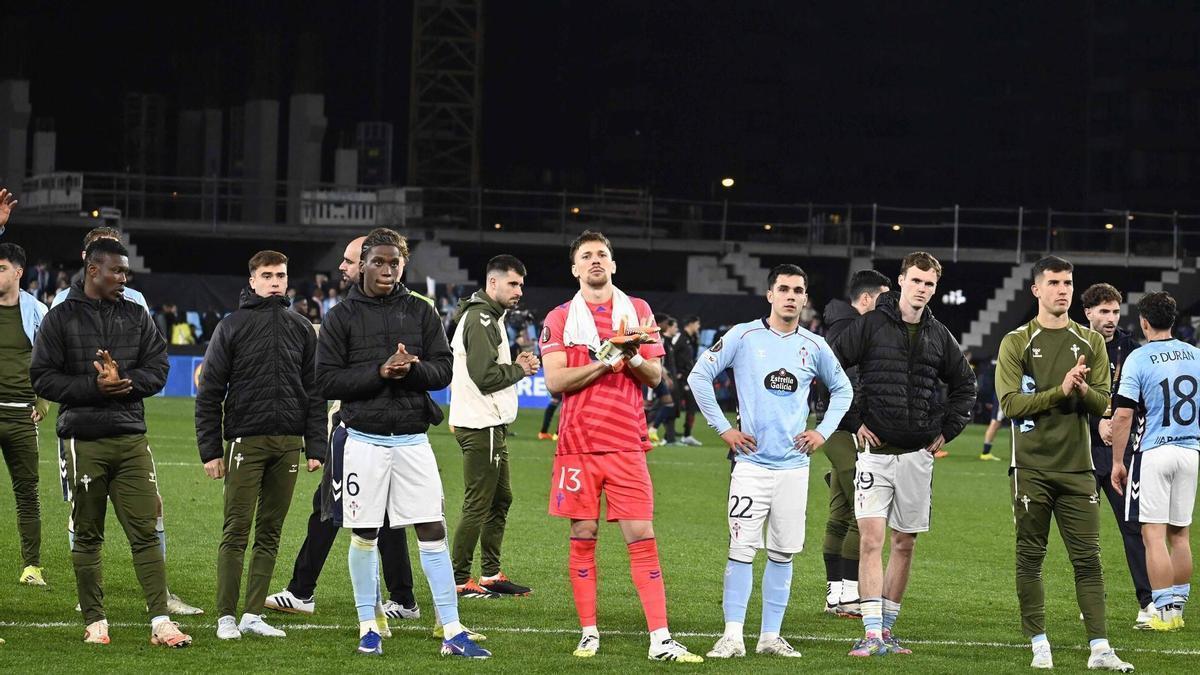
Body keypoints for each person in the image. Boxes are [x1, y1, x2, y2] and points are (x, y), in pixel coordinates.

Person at [317, 227, 488, 658]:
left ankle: (451, 629)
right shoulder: (340, 317)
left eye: (395, 262)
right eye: (378, 262)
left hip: (413, 440)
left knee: (432, 528)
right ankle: (367, 625)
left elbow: (444, 371)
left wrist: (409, 370)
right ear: (362, 266)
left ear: (403, 265)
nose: (387, 269)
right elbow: (325, 381)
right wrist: (379, 372)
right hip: (362, 441)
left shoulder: (421, 313)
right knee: (366, 532)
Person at [539, 230, 701, 662]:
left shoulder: (638, 312)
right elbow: (555, 382)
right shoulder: (559, 318)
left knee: (642, 535)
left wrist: (629, 354)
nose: (595, 261)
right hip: (576, 445)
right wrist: (606, 360)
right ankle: (589, 632)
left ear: (613, 265)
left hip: (628, 443)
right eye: (587, 255)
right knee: (582, 533)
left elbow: (655, 378)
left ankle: (660, 639)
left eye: (602, 255)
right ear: (574, 268)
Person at [30, 238, 191, 648]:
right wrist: (94, 385)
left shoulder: (137, 315)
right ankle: (95, 620)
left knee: (146, 532)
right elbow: (42, 378)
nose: (124, 278)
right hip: (82, 439)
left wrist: (127, 383)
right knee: (87, 534)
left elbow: (159, 367)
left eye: (125, 272)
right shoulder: (59, 317)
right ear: (93, 271)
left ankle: (160, 620)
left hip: (130, 438)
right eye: (117, 271)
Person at [690, 264, 853, 659]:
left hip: (794, 468)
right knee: (742, 549)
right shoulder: (744, 336)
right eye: (784, 289)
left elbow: (843, 389)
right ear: (770, 295)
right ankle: (732, 636)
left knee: (783, 552)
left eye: (799, 290)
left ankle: (769, 636)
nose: (792, 296)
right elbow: (699, 376)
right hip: (750, 466)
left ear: (805, 297)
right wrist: (725, 430)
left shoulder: (814, 345)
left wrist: (823, 432)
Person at [265, 236, 419, 624]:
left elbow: (330, 379)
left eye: (349, 262)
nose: (343, 269)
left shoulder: (376, 315)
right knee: (377, 515)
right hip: (365, 431)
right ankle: (403, 599)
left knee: (331, 510)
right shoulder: (353, 313)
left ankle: (303, 591)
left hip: (361, 431)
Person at [830, 251, 976, 657]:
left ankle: (888, 631)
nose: (922, 289)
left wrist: (947, 430)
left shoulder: (939, 334)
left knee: (904, 544)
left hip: (917, 456)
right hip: (875, 455)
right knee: (871, 540)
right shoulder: (871, 325)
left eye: (929, 284)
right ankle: (871, 633)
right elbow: (832, 368)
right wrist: (853, 420)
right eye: (916, 281)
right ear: (901, 281)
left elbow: (965, 385)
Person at [995, 255, 1132, 671]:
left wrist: (1081, 389)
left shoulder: (1091, 343)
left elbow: (1106, 403)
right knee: (1030, 557)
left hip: (1078, 469)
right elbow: (1010, 404)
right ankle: (1039, 642)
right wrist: (1061, 390)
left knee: (1089, 559)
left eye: (1068, 282)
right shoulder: (1016, 341)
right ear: (1036, 289)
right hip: (1031, 468)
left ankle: (1100, 648)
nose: (1063, 289)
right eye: (1053, 282)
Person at [195, 250, 327, 640]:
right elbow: (210, 392)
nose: (274, 281)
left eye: (280, 275)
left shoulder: (302, 327)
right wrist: (210, 450)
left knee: (270, 531)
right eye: (266, 275)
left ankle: (253, 614)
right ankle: (225, 617)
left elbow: (314, 391)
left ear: (287, 280)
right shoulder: (231, 326)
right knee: (236, 530)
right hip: (244, 442)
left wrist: (315, 445)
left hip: (288, 444)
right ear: (252, 281)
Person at [449, 255, 540, 598]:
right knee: (479, 502)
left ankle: (489, 574)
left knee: (501, 498)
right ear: (493, 283)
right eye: (513, 284)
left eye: (521, 285)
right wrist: (518, 369)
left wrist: (516, 365)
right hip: (480, 424)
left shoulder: (490, 316)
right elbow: (484, 376)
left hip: (490, 424)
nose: (519, 291)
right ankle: (459, 579)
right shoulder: (481, 318)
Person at [1111, 291, 1198, 633]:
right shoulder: (1196, 355)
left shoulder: (1139, 358)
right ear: (1172, 320)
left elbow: (1123, 415)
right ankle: (1177, 610)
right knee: (1181, 535)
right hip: (1190, 453)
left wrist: (1118, 461)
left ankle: (1161, 614)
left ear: (1144, 322)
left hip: (1154, 452)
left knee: (1152, 535)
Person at [817, 269, 890, 617]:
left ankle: (835, 595)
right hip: (847, 430)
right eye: (883, 299)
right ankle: (848, 596)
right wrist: (860, 422)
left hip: (833, 428)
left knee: (841, 513)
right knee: (862, 515)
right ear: (866, 299)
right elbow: (850, 384)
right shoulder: (852, 331)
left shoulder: (837, 327)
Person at [1081, 283, 1154, 628]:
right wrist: (1098, 423)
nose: (1111, 319)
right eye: (1104, 312)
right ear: (1088, 313)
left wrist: (1121, 426)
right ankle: (1091, 599)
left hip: (1118, 457)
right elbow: (1065, 397)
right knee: (1083, 533)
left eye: (1115, 312)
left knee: (1132, 528)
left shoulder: (1132, 350)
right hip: (1080, 454)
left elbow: (1143, 401)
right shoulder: (1074, 344)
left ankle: (1147, 603)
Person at [0, 243, 50, 587]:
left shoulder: (37, 311)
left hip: (21, 415)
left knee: (27, 493)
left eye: (1, 267)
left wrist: (44, 400)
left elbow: (51, 360)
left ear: (18, 272)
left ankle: (31, 566)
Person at [647, 315, 680, 446]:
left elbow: (661, 362)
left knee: (668, 404)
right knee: (647, 405)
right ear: (659, 324)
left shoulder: (662, 339)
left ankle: (651, 430)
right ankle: (643, 433)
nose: (666, 325)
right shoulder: (652, 338)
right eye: (665, 323)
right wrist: (666, 377)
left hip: (659, 374)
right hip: (650, 373)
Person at [674, 315, 702, 446]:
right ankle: (663, 432)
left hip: (689, 378)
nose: (698, 327)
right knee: (671, 406)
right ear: (691, 324)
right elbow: (670, 354)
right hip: (679, 378)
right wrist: (676, 372)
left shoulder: (692, 339)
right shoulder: (679, 337)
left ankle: (687, 435)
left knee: (691, 405)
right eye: (697, 324)